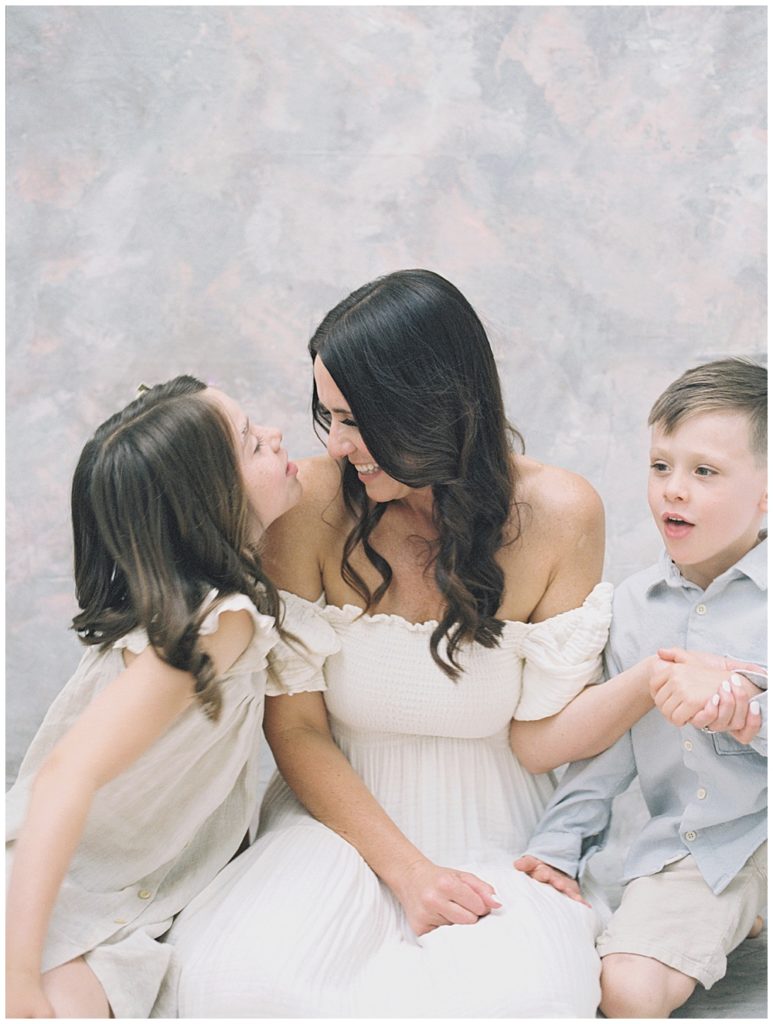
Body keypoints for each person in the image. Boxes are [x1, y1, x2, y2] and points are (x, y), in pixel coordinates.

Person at [165, 271, 738, 1017]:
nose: (336, 444)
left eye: (356, 420)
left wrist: (646, 682)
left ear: (433, 408)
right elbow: (296, 726)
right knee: (240, 984)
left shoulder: (560, 513)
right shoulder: (306, 504)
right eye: (327, 417)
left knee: (511, 1000)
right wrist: (406, 873)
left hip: (499, 824)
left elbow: (541, 738)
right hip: (335, 815)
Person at [4, 375, 332, 1019]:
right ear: (208, 499)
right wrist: (17, 978)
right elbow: (64, 775)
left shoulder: (201, 607)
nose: (274, 435)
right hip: (49, 892)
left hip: (125, 904)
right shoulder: (215, 621)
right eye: (249, 442)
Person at [517, 357, 767, 1018]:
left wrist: (750, 713)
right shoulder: (633, 606)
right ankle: (731, 920)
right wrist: (556, 849)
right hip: (702, 850)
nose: (671, 491)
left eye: (703, 472)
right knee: (622, 992)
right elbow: (606, 752)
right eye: (660, 466)